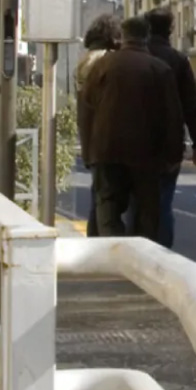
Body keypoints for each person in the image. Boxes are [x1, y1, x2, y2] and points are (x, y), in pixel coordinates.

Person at [78, 16, 186, 239]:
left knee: (108, 209)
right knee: (146, 214)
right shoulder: (160, 69)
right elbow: (173, 117)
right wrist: (173, 156)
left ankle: (112, 258)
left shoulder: (101, 66)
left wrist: (89, 152)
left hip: (105, 151)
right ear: (145, 38)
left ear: (122, 38)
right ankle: (141, 260)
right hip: (146, 154)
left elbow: (87, 110)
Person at [144, 8, 196, 248]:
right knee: (164, 203)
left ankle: (137, 253)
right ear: (170, 30)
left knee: (138, 202)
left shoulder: (138, 57)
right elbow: (191, 105)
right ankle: (164, 253)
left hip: (136, 144)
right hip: (170, 144)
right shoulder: (179, 60)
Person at [75, 14, 121, 237]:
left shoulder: (84, 61)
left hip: (92, 141)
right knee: (107, 204)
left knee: (99, 197)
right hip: (109, 139)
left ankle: (93, 243)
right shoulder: (106, 62)